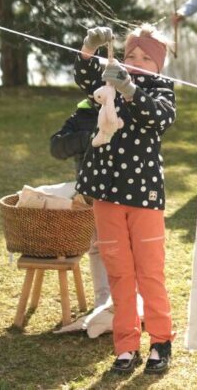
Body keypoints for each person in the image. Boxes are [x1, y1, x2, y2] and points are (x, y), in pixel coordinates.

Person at [75, 24, 177, 375]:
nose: (137, 61)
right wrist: (88, 49)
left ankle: (161, 341)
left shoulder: (162, 88)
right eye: (131, 55)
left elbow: (159, 116)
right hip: (107, 192)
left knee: (150, 272)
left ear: (159, 64)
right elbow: (85, 77)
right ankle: (126, 345)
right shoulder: (109, 80)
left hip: (144, 195)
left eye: (146, 58)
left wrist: (130, 88)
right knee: (119, 272)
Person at [48, 99, 114, 337]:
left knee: (122, 248)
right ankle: (103, 304)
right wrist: (87, 138)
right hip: (91, 193)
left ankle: (127, 304)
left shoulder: (127, 107)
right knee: (97, 247)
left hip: (122, 193)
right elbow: (56, 147)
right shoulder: (82, 114)